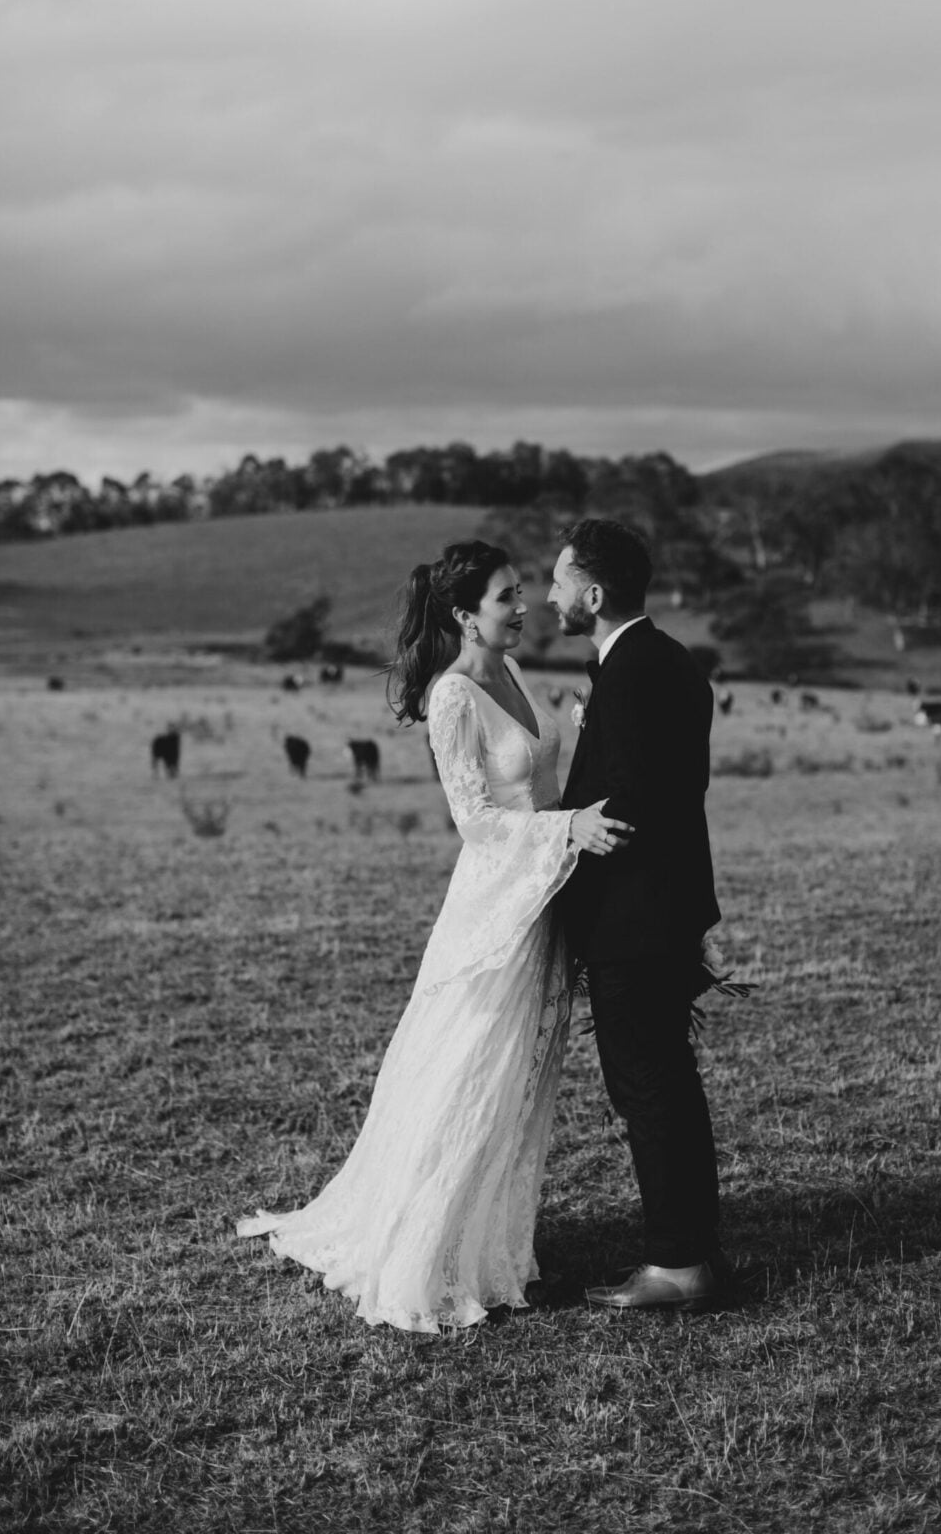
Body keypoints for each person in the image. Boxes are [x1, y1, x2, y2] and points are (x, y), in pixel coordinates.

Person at [237, 540, 630, 1332]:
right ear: (463, 615)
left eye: (521, 592)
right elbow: (476, 820)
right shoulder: (452, 697)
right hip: (494, 911)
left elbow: (541, 777)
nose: (522, 607)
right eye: (505, 597)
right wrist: (565, 830)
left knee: (516, 1079)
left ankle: (487, 1243)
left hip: (543, 896)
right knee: (468, 1067)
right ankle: (426, 1249)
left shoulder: (514, 671)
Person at [549, 518, 726, 1312]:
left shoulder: (628, 677)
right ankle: (691, 1252)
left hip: (634, 918)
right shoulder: (671, 661)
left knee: (648, 1089)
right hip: (669, 908)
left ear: (592, 594)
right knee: (668, 1085)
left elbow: (623, 808)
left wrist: (560, 845)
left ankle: (679, 1265)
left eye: (558, 581)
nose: (548, 596)